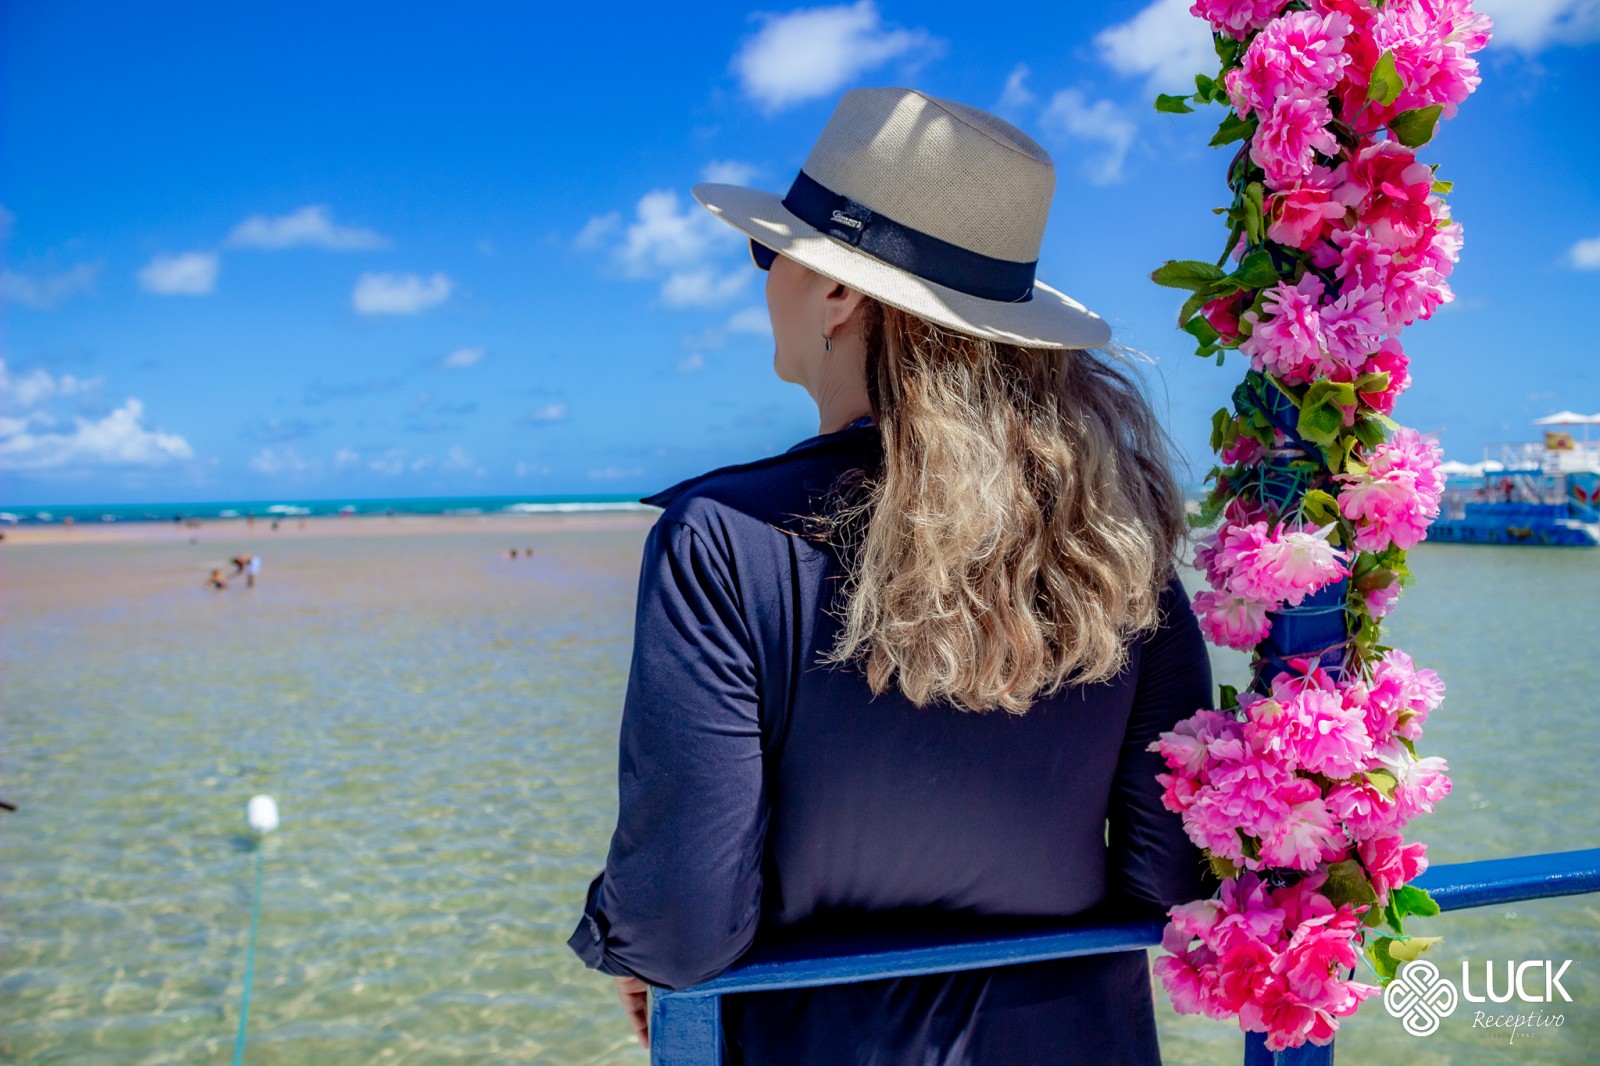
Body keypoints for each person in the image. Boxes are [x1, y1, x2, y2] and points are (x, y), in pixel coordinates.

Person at [567, 87, 1216, 1064]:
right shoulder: (1116, 540)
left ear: (838, 292)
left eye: (766, 251)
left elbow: (679, 926)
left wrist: (626, 935)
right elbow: (1170, 876)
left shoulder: (722, 540)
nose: (762, 278)